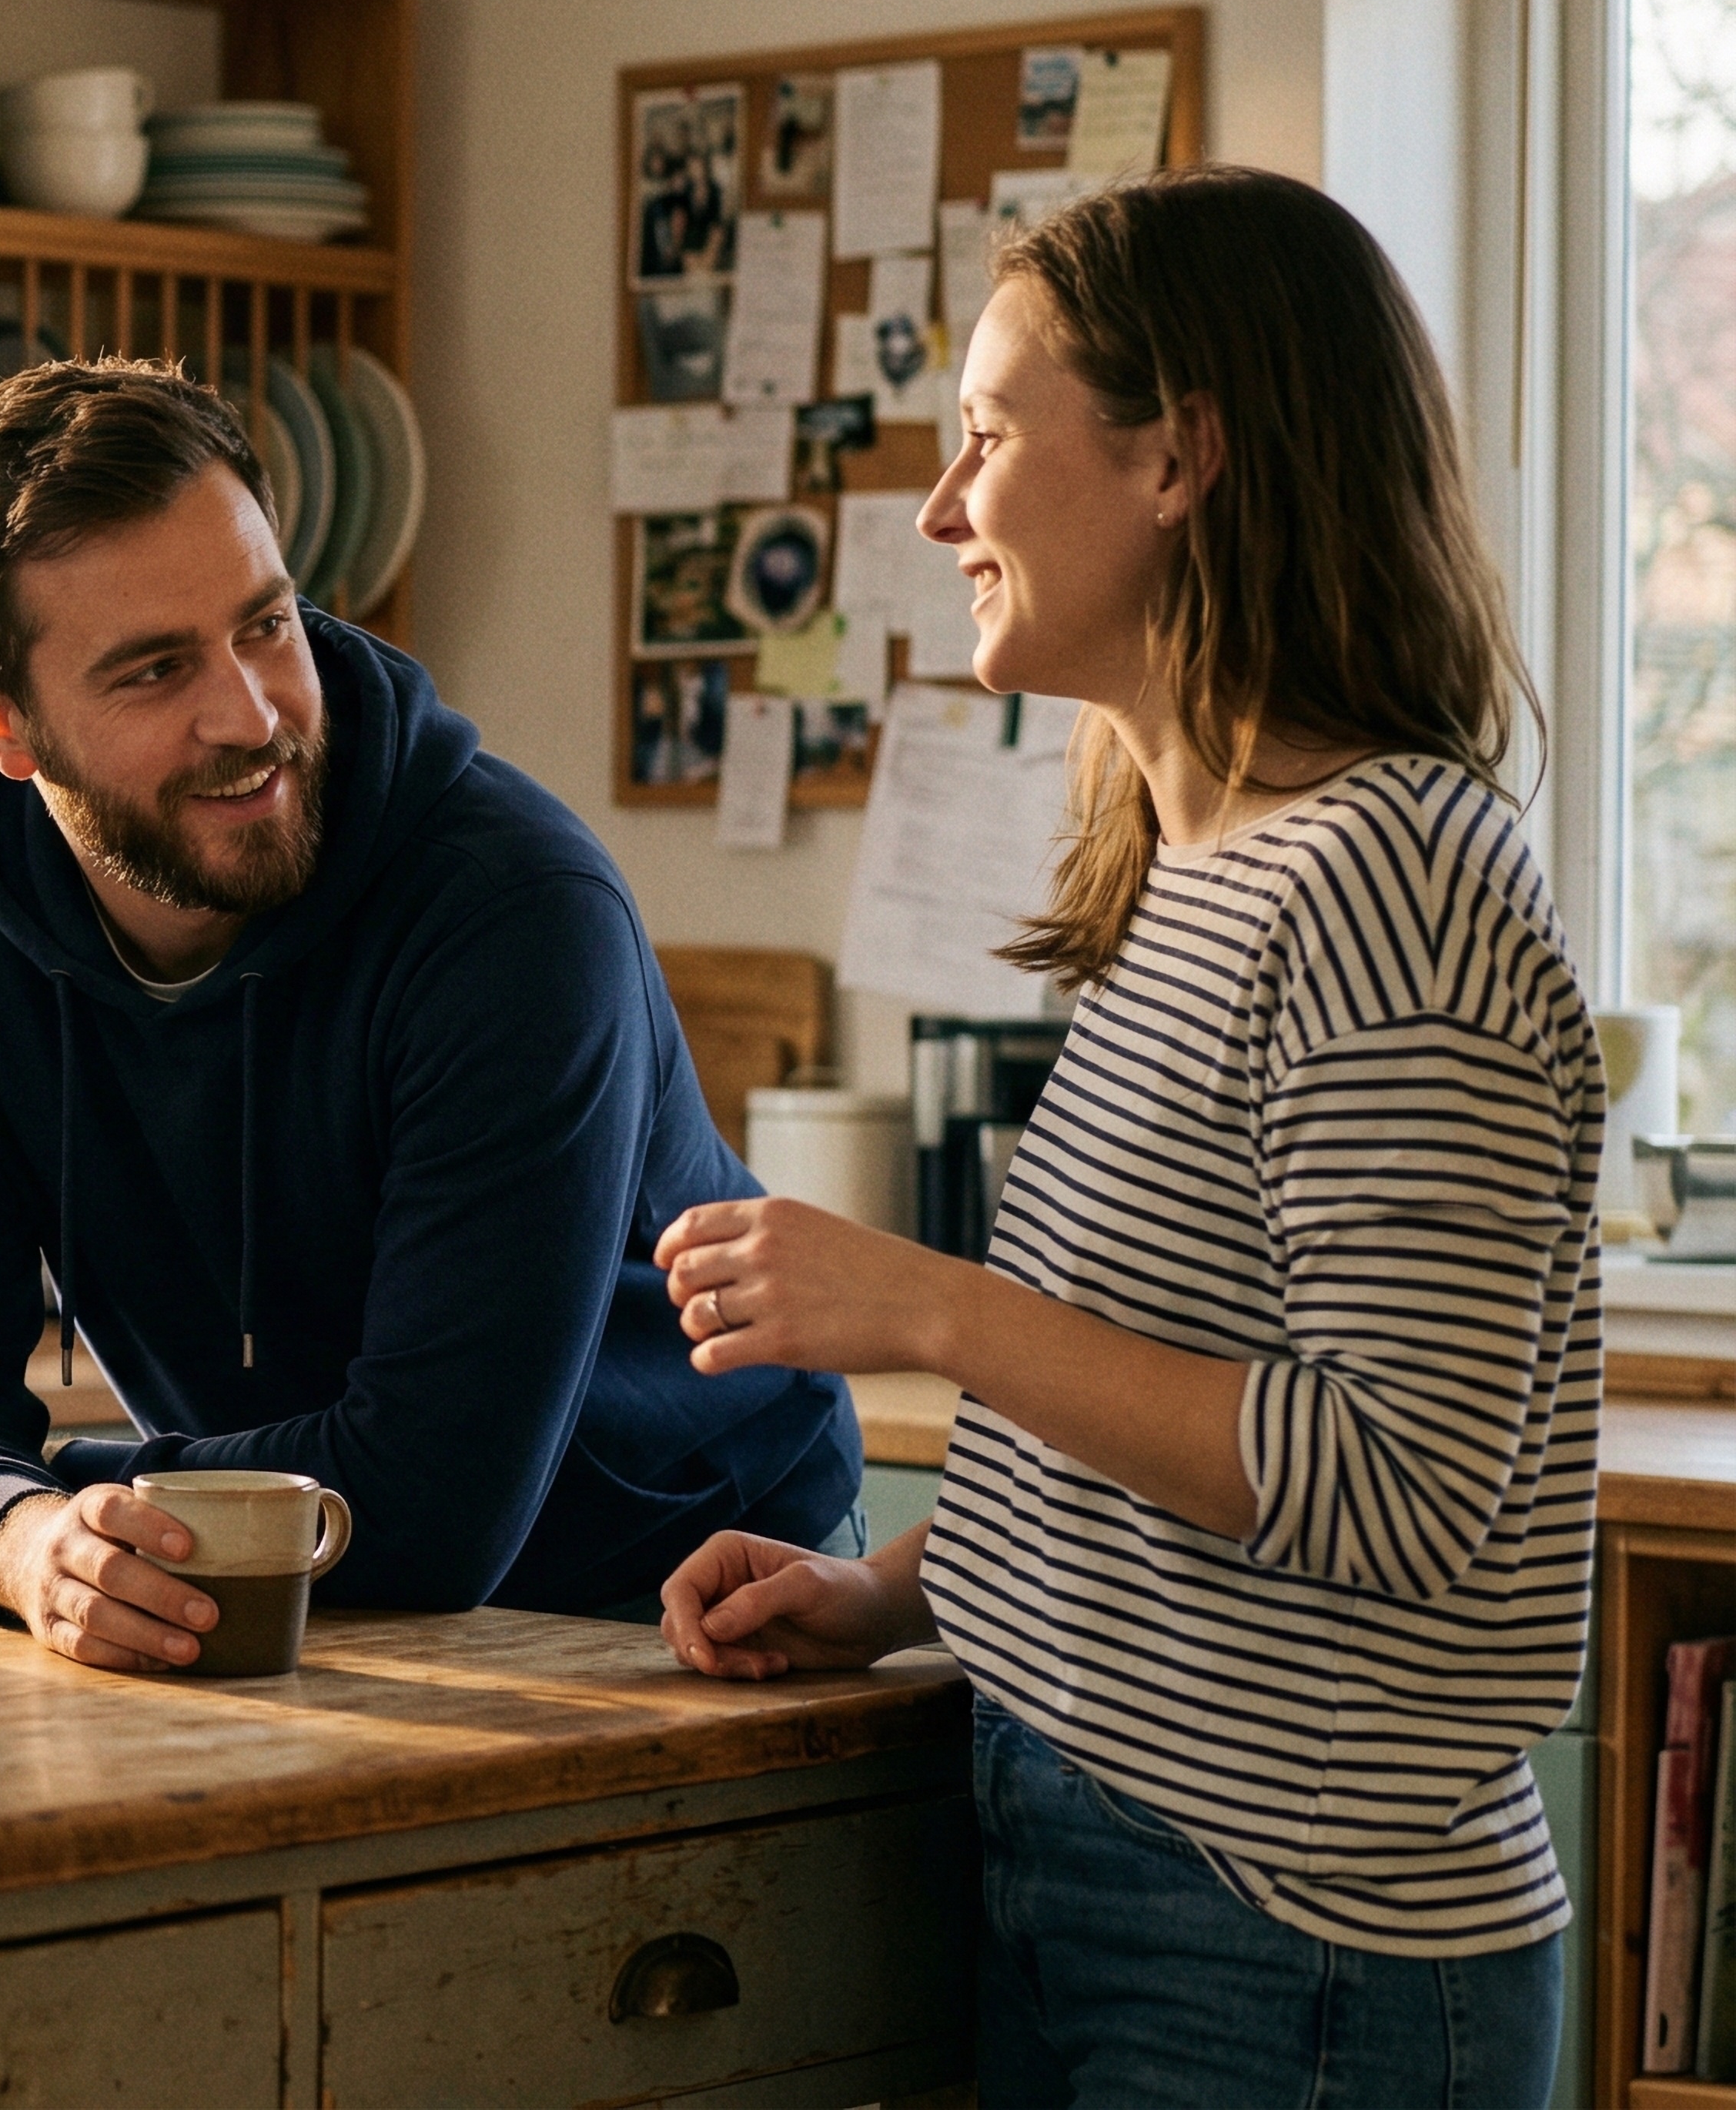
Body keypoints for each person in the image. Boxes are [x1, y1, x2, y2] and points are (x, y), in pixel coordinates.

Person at [653, 165, 1601, 2108]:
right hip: (1100, 1856)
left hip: (1289, 1933)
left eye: (991, 438)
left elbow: (1393, 1484)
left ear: (1177, 458)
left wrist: (926, 1312)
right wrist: (897, 1588)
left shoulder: (1396, 881)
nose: (942, 510)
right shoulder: (1204, 870)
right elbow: (1176, 1413)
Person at [0, 359, 858, 1673]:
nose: (249, 715)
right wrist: (25, 1542)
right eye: (152, 671)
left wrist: (85, 1490)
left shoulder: (515, 912)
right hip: (297, 1599)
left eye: (265, 624)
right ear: (1, 723)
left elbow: (433, 1499)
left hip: (689, 1602)